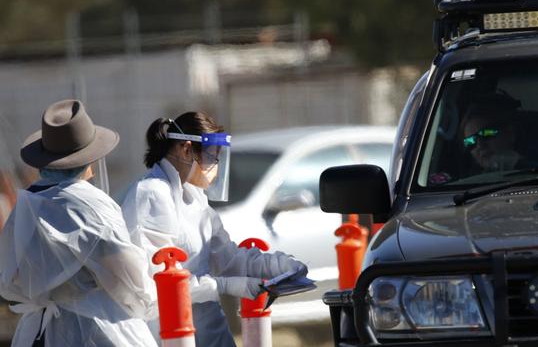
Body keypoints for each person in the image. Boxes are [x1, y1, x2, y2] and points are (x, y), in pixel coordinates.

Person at [121, 112, 308, 347]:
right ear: (186, 150)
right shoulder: (152, 194)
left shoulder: (195, 198)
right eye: (212, 157)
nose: (216, 168)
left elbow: (229, 258)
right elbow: (156, 287)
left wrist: (280, 265)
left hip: (210, 331)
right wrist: (224, 286)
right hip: (171, 335)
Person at [0, 100, 157, 347]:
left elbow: (12, 278)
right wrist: (150, 302)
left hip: (40, 332)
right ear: (89, 158)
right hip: (98, 330)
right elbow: (127, 276)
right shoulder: (89, 205)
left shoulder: (26, 204)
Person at [460, 93, 529, 172]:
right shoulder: (468, 181)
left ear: (510, 133)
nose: (480, 145)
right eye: (470, 141)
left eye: (487, 134)